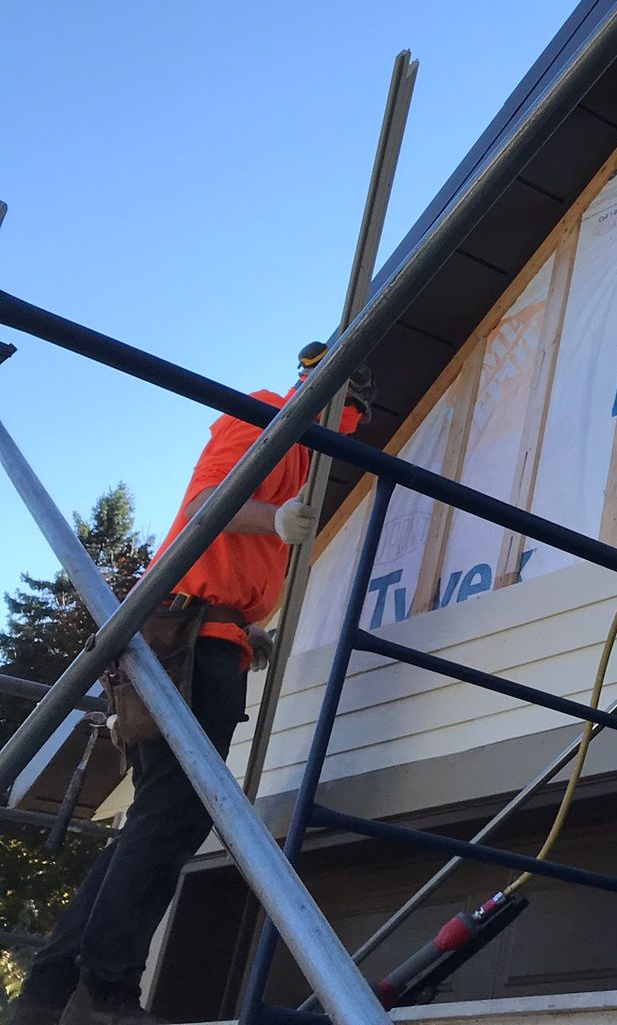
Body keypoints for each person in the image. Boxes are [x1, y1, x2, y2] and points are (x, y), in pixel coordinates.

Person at [17, 345, 374, 1025]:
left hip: (205, 635)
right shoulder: (270, 414)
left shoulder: (306, 444)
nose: (349, 420)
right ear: (333, 391)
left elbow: (227, 552)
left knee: (155, 819)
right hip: (189, 640)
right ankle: (110, 991)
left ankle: (48, 991)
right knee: (174, 817)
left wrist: (249, 625)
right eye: (349, 403)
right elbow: (208, 501)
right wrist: (272, 520)